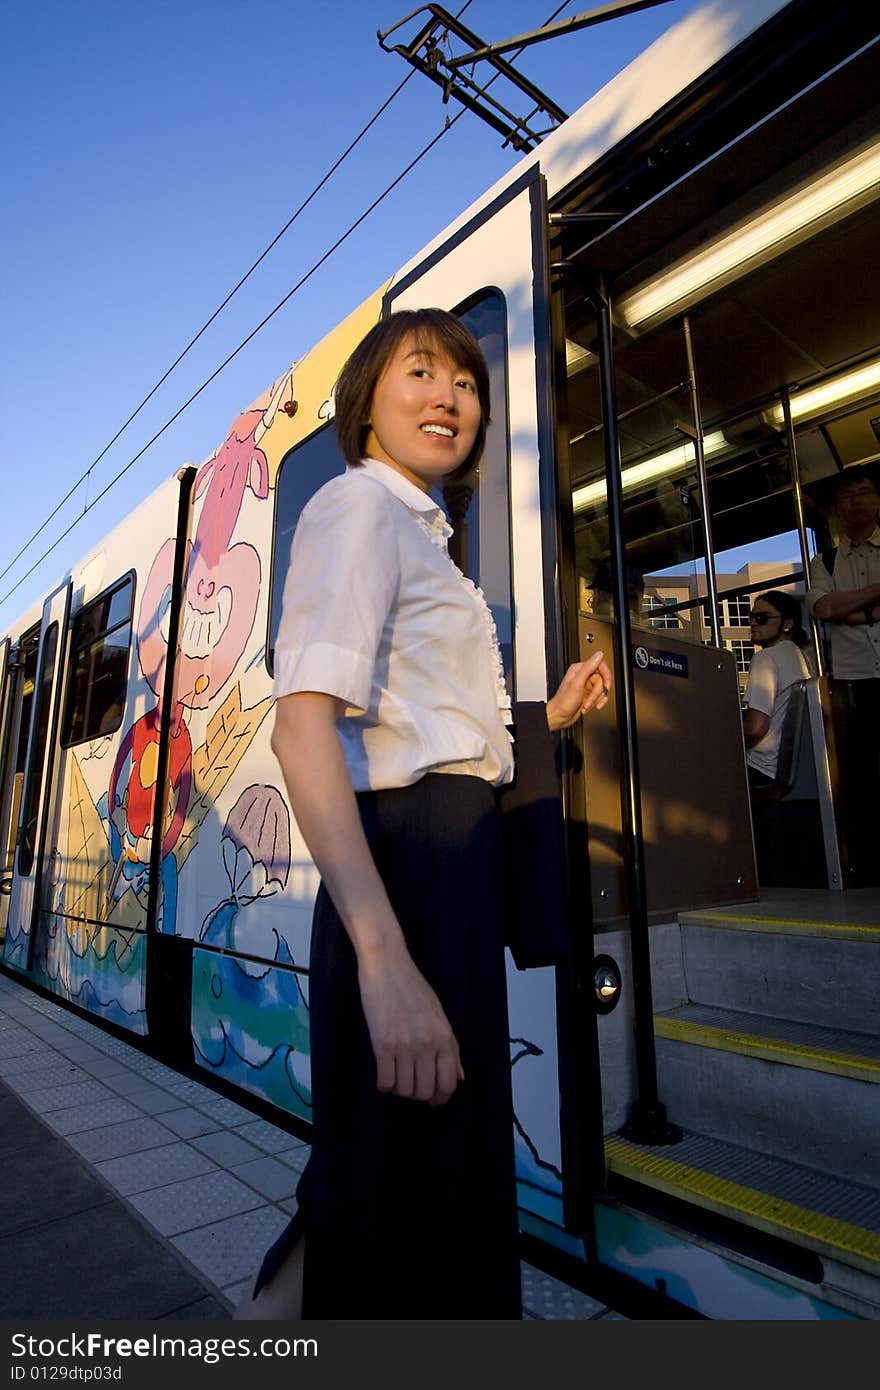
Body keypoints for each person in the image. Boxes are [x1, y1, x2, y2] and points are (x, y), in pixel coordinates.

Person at [234, 308, 612, 1320]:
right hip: (407, 884)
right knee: (403, 1183)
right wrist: (384, 959)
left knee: (383, 1179)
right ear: (368, 401)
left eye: (465, 381)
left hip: (441, 871)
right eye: (420, 372)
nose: (448, 396)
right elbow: (303, 728)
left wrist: (550, 716)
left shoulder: (422, 540)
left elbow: (426, 726)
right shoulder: (361, 512)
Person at [806, 466, 880, 877]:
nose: (857, 501)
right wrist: (872, 599)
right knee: (863, 774)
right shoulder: (826, 561)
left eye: (864, 492)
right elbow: (824, 609)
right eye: (848, 496)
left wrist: (851, 609)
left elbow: (839, 609)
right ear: (837, 508)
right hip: (853, 681)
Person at [742, 591, 811, 794]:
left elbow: (756, 728)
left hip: (760, 766)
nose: (753, 623)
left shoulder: (766, 658)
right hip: (788, 765)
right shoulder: (802, 657)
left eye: (761, 618)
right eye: (751, 617)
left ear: (787, 624)